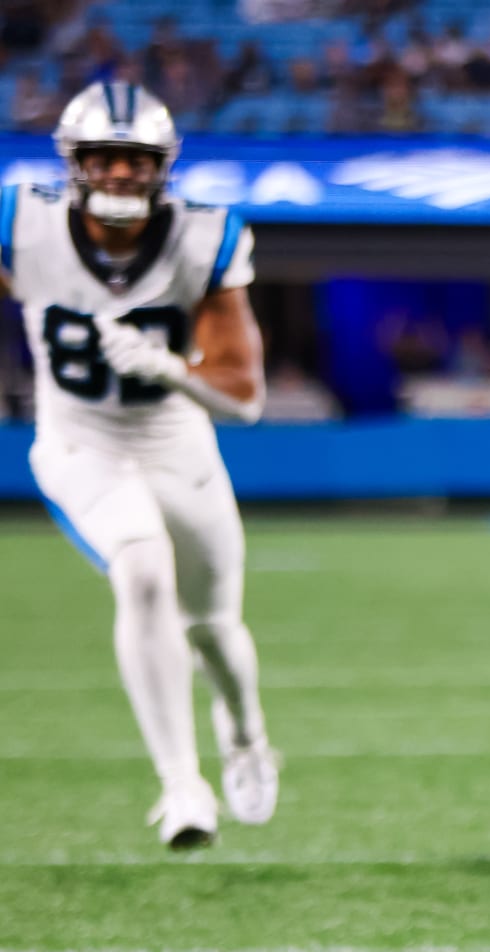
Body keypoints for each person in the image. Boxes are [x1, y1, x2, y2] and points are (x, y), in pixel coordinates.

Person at [2, 82, 279, 849]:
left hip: (175, 440)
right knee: (143, 569)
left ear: (163, 166)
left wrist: (168, 367)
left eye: (136, 159)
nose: (121, 173)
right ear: (75, 162)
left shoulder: (203, 238)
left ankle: (248, 736)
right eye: (104, 157)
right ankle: (181, 785)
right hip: (79, 439)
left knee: (215, 627)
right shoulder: (20, 225)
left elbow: (244, 397)